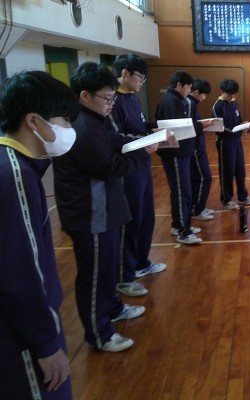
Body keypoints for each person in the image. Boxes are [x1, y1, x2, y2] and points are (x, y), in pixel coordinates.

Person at [53, 62, 148, 353]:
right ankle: (99, 333)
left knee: (108, 268)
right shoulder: (82, 126)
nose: (111, 103)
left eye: (113, 98)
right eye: (107, 98)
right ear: (84, 95)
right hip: (90, 214)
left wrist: (142, 142)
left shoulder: (97, 120)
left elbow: (115, 143)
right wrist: (144, 152)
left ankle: (113, 308)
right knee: (94, 275)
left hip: (105, 210)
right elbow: (109, 166)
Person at [0, 71, 78, 398]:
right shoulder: (14, 176)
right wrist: (46, 342)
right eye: (64, 120)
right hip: (20, 337)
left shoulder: (18, 167)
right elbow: (21, 270)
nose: (69, 129)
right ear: (34, 121)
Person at [107, 54, 166, 300]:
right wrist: (146, 139)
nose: (142, 82)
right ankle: (125, 276)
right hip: (127, 171)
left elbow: (137, 128)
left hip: (143, 165)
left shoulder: (133, 98)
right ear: (125, 73)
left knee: (146, 218)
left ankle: (142, 262)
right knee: (130, 222)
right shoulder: (113, 100)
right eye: (140, 77)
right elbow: (116, 137)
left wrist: (153, 129)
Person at [155, 70, 203, 245]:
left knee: (180, 190)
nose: (189, 91)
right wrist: (201, 126)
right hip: (175, 153)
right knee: (183, 192)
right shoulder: (170, 102)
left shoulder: (176, 100)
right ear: (179, 85)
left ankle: (178, 225)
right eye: (188, 87)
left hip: (181, 152)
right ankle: (184, 231)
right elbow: (179, 129)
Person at [212, 79, 250, 208]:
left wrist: (244, 125)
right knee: (227, 171)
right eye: (229, 94)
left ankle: (243, 196)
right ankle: (227, 199)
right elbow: (219, 127)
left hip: (237, 141)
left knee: (240, 170)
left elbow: (239, 121)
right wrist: (233, 130)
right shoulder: (217, 106)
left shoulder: (234, 103)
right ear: (223, 91)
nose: (231, 97)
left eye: (233, 94)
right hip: (225, 142)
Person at [187, 78, 214, 220]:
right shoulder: (190, 104)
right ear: (196, 92)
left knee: (198, 178)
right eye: (203, 95)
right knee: (205, 177)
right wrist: (202, 126)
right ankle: (197, 209)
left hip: (198, 145)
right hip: (195, 147)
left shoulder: (193, 104)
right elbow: (189, 127)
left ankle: (198, 207)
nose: (204, 98)